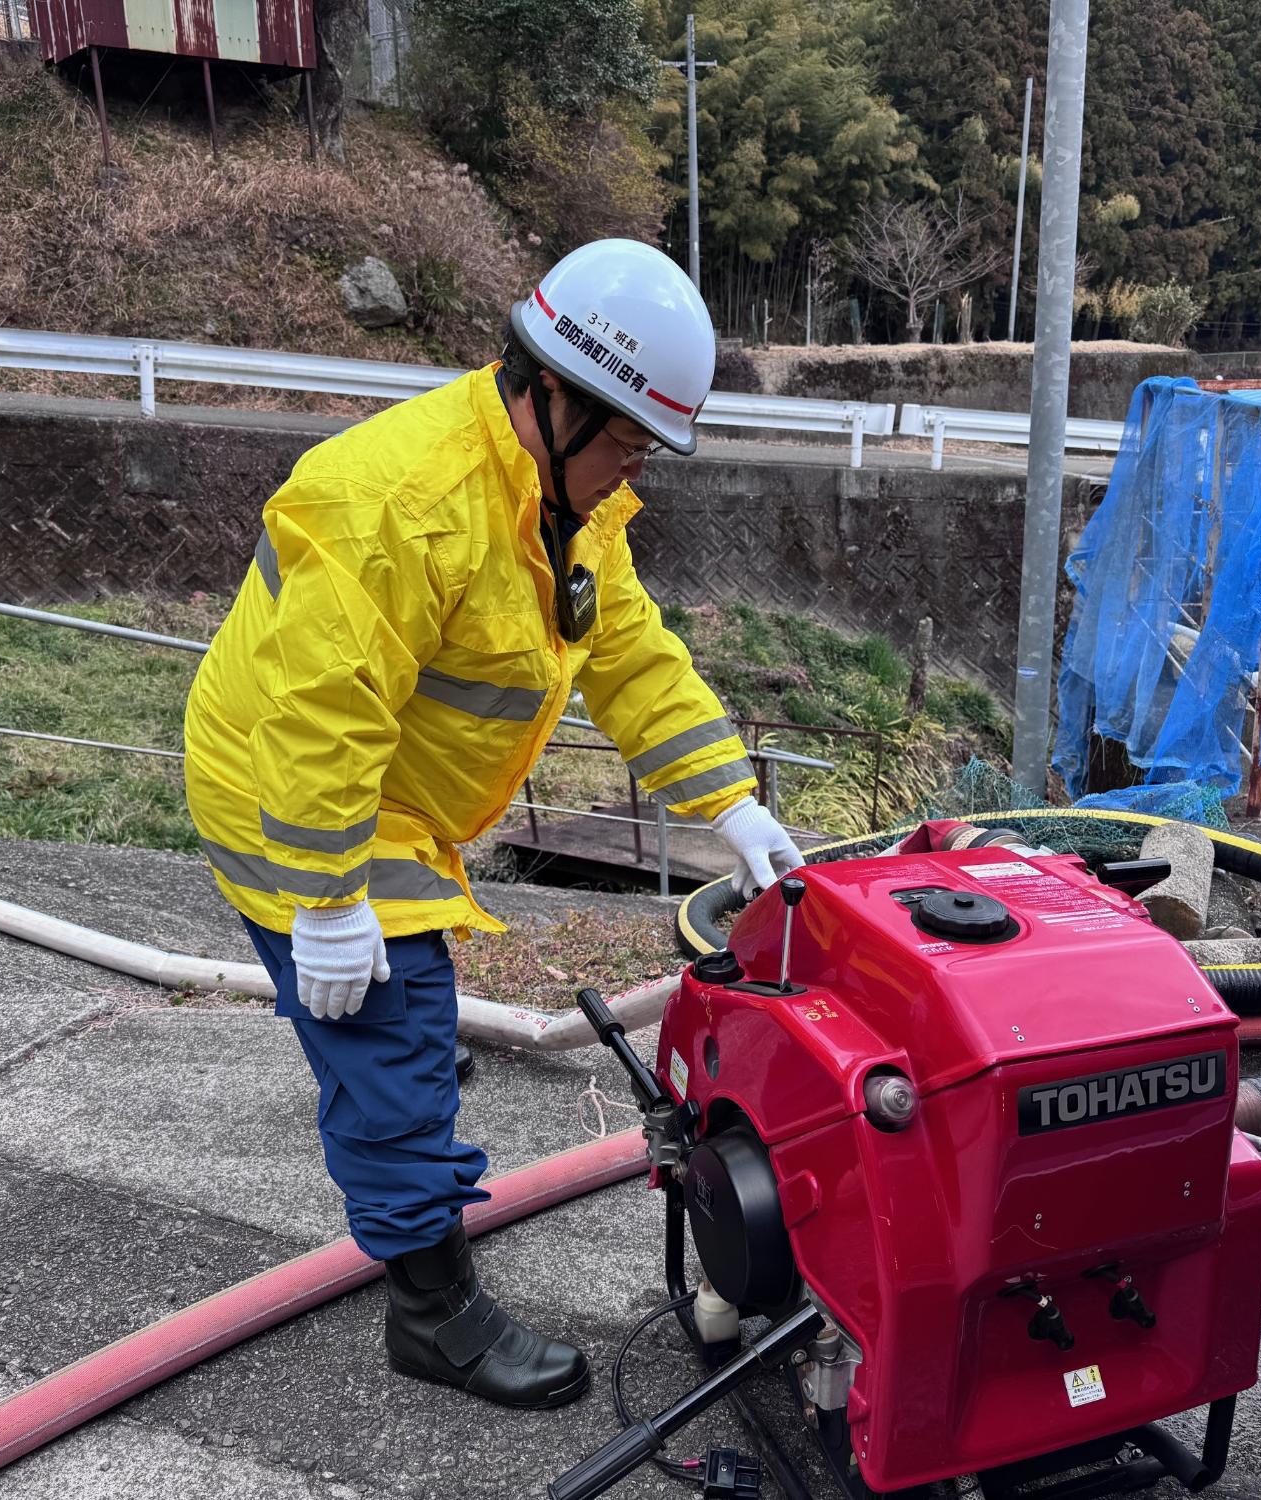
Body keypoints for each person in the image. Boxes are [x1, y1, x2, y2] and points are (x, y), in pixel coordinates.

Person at [182, 238, 805, 1410]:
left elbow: (626, 654)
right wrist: (325, 905)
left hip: (388, 798)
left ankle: (393, 1061)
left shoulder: (565, 502)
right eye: (625, 439)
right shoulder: (395, 506)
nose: (634, 472)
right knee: (391, 1044)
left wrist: (729, 802)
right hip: (297, 799)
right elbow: (317, 716)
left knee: (394, 1020)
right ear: (555, 399)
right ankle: (432, 1313)